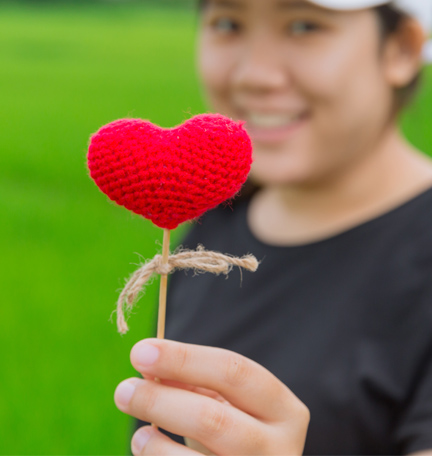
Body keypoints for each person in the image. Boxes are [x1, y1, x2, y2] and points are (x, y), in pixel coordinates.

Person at [114, 0, 432, 454]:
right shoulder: (211, 222)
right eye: (227, 23)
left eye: (304, 25)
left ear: (401, 49)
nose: (254, 76)